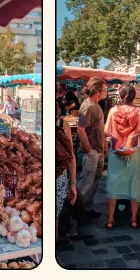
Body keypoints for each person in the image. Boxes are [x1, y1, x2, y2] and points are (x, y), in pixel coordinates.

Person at [103, 83, 140, 229]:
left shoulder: (113, 111)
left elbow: (106, 131)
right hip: (134, 152)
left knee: (113, 183)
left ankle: (110, 219)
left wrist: (119, 135)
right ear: (134, 97)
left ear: (120, 96)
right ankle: (133, 219)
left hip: (116, 152)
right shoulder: (139, 112)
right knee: (134, 182)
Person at [77, 77, 107, 218]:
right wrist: (89, 150)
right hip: (92, 152)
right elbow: (80, 129)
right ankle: (75, 215)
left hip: (98, 150)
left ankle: (87, 208)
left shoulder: (94, 105)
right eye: (104, 90)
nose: (106, 92)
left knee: (94, 181)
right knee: (85, 184)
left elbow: (97, 128)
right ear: (98, 91)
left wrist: (104, 143)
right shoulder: (89, 106)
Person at [55, 100, 78, 236]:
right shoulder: (63, 125)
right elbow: (70, 156)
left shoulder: (63, 125)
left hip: (54, 177)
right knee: (54, 218)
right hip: (59, 177)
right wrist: (73, 183)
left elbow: (70, 156)